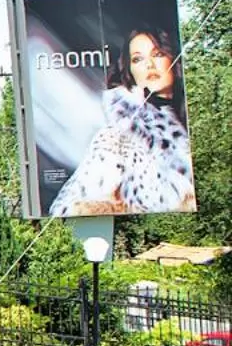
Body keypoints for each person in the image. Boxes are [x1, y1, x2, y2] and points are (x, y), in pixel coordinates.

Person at [50, 23, 196, 215]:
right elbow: (66, 208)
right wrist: (108, 207)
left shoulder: (197, 116)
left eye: (158, 54)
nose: (149, 65)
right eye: (137, 59)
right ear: (130, 71)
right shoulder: (118, 136)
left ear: (174, 58)